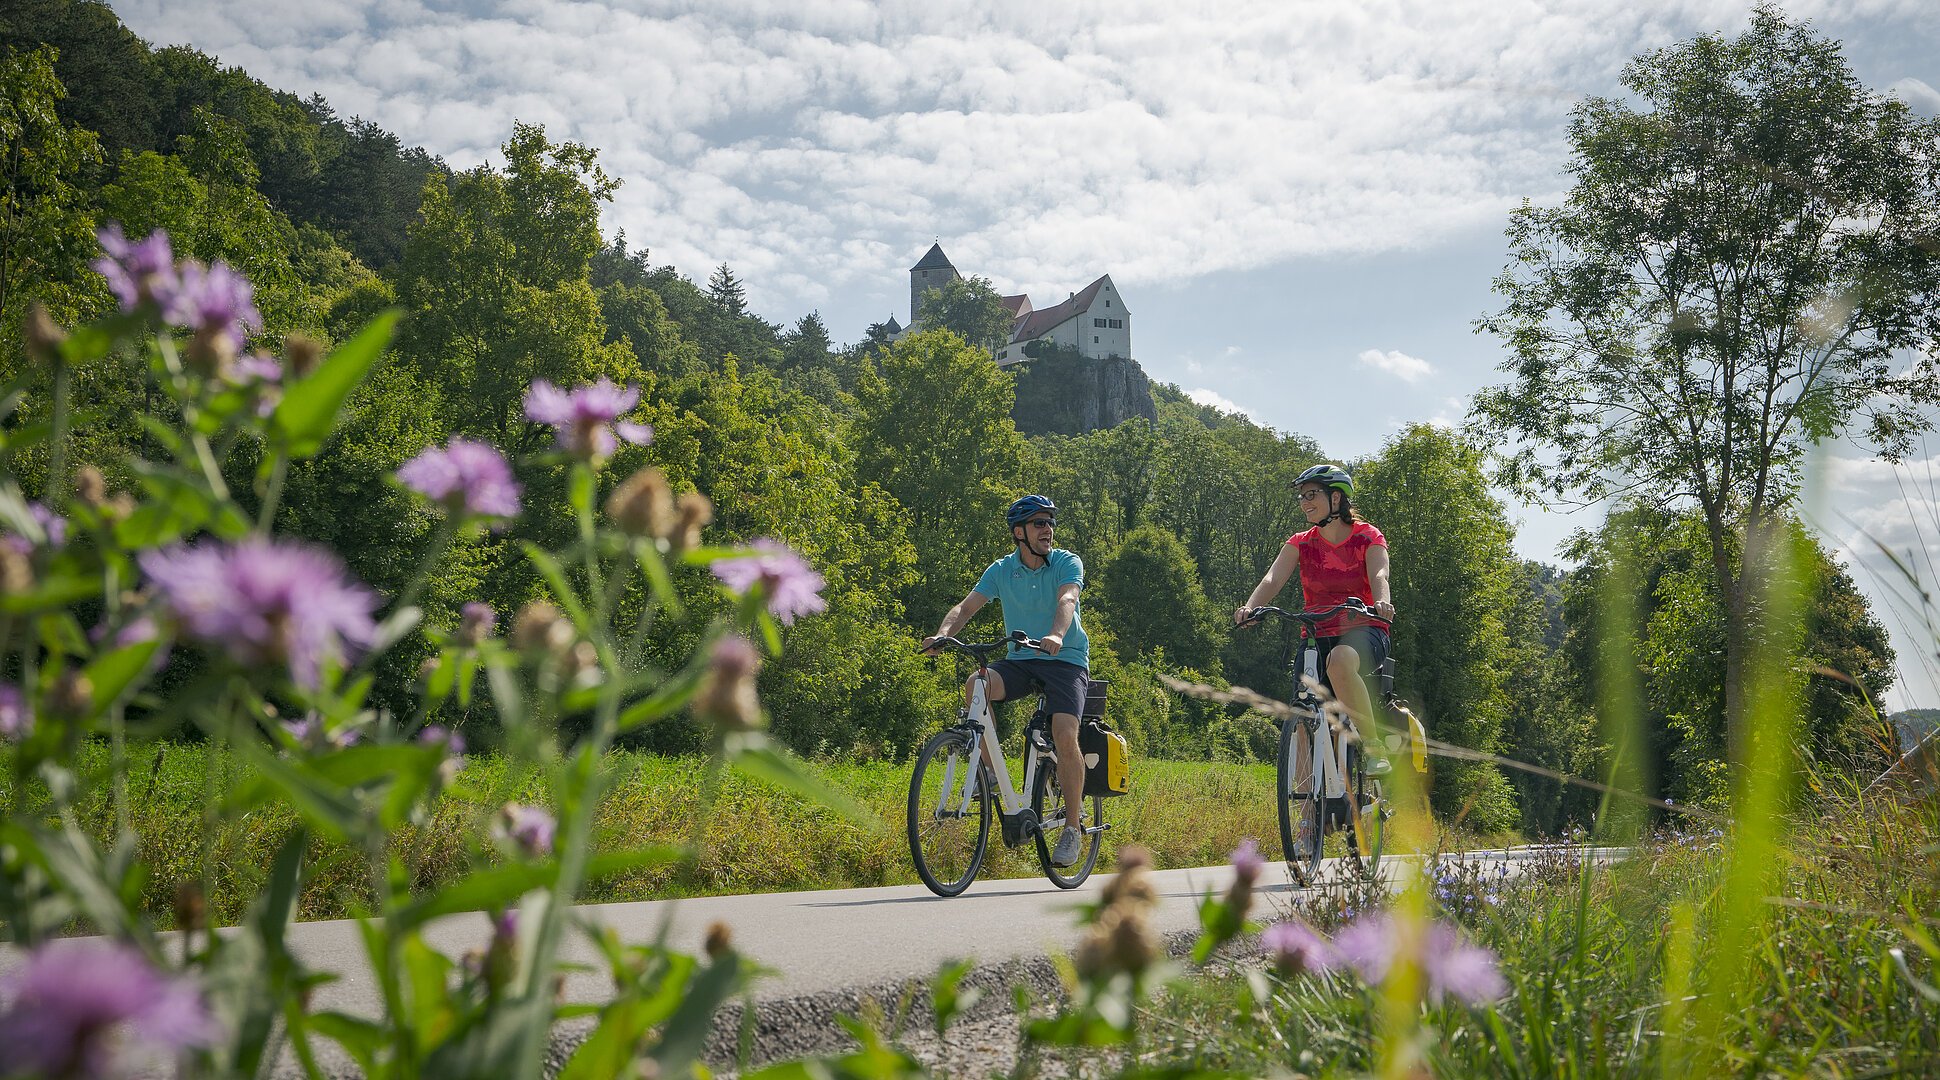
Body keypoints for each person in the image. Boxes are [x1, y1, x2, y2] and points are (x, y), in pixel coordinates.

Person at [922, 494, 1092, 866]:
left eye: (1049, 522)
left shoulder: (1065, 562)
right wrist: (942, 634)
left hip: (1064, 659)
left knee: (1065, 735)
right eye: (1038, 523)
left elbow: (1068, 600)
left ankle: (1072, 829)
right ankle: (991, 773)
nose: (1047, 529)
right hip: (1021, 659)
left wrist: (1058, 635)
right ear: (1019, 533)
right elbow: (965, 607)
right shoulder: (1001, 570)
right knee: (975, 685)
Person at [1235, 465, 1395, 835]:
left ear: (1335, 498)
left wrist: (1382, 601)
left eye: (1312, 495)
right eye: (1301, 496)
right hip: (1315, 632)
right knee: (1305, 721)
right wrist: (1251, 606)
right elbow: (1273, 578)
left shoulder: (1367, 537)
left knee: (1340, 661)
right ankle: (1309, 819)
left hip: (1363, 628)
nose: (1304, 502)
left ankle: (1372, 747)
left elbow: (1380, 575)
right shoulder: (1301, 542)